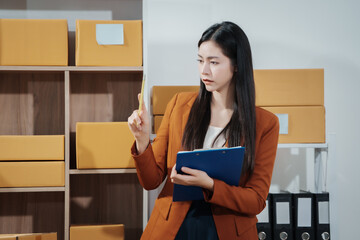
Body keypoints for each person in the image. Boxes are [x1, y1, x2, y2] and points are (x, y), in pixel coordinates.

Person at [128, 21, 279, 240]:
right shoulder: (179, 105)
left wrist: (208, 184)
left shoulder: (265, 123)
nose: (204, 70)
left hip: (227, 229)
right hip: (174, 227)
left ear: (236, 65)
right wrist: (142, 140)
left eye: (214, 62)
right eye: (200, 61)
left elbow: (256, 200)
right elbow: (151, 181)